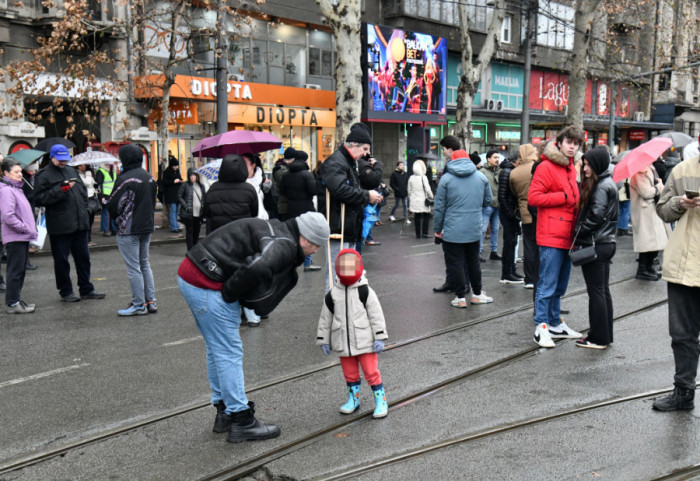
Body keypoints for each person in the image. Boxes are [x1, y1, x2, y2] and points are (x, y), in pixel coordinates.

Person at [177, 211, 330, 442]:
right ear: (305, 239)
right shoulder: (285, 245)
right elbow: (258, 267)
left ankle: (225, 414)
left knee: (217, 348)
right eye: (316, 245)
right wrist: (230, 294)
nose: (316, 251)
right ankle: (241, 419)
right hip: (207, 282)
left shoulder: (278, 229)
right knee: (228, 351)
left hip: (193, 271)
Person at [527, 127, 584, 348]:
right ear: (559, 143)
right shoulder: (545, 166)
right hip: (551, 234)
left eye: (576, 143)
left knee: (559, 285)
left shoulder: (570, 168)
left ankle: (553, 323)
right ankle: (541, 326)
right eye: (569, 142)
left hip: (567, 234)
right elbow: (533, 198)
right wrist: (564, 196)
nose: (572, 146)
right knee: (547, 284)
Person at [652, 149, 700, 411]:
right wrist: (680, 204)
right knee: (682, 335)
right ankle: (683, 392)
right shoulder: (682, 170)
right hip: (684, 265)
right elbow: (662, 209)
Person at [317, 249, 389, 418]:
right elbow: (325, 318)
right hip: (343, 343)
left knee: (371, 372)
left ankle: (381, 401)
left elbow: (376, 315)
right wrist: (323, 339)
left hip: (365, 343)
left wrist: (379, 336)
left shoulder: (365, 291)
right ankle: (354, 399)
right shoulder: (333, 294)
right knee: (349, 374)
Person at [33, 144, 105, 302]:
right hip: (60, 226)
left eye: (65, 159)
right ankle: (66, 291)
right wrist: (60, 189)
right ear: (52, 157)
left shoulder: (71, 170)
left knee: (83, 259)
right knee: (62, 261)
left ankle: (86, 289)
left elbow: (82, 192)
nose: (63, 162)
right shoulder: (43, 175)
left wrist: (85, 210)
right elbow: (39, 198)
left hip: (79, 223)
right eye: (60, 160)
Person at [320, 122, 383, 293]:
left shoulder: (348, 162)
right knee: (336, 274)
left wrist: (366, 196)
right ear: (353, 144)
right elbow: (340, 190)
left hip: (347, 227)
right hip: (338, 228)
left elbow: (350, 190)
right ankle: (333, 310)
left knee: (346, 274)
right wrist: (366, 195)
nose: (366, 154)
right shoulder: (337, 162)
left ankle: (344, 309)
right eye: (364, 149)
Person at [572, 147, 618, 349]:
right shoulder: (608, 183)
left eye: (589, 164)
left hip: (596, 243)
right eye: (584, 163)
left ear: (598, 164)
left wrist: (578, 232)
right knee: (602, 291)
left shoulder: (600, 187)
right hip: (606, 242)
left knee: (596, 292)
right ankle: (604, 335)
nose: (585, 168)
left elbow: (596, 216)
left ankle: (597, 337)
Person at [433, 149, 493, 308]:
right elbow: (488, 200)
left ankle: (460, 297)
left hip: (452, 229)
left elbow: (439, 207)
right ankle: (477, 294)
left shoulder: (446, 179)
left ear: (452, 161)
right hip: (473, 228)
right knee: (473, 262)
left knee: (455, 263)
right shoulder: (481, 177)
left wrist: (438, 228)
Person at [107, 144, 158, 316]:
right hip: (147, 225)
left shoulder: (125, 179)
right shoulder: (149, 177)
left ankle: (138, 304)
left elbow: (113, 205)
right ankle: (150, 301)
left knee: (134, 267)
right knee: (144, 263)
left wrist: (117, 217)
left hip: (128, 227)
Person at [0, 159, 38, 313]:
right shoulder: (7, 190)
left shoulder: (15, 188)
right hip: (16, 236)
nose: (19, 174)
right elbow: (8, 216)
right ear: (6, 173)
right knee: (15, 271)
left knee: (20, 270)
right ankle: (12, 303)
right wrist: (24, 228)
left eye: (20, 171)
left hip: (21, 236)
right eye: (15, 172)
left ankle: (16, 300)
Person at [280, 150, 321, 272]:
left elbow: (282, 190)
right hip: (306, 207)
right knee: (307, 235)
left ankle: (292, 260)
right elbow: (313, 191)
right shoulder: (306, 174)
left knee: (294, 235)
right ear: (304, 160)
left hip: (291, 207)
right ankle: (307, 263)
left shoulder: (286, 174)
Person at [630, 164, 669, 281]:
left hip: (650, 210)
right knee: (647, 241)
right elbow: (646, 193)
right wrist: (659, 187)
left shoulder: (649, 168)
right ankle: (642, 269)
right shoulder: (640, 172)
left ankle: (648, 267)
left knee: (653, 241)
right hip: (644, 210)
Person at [203, 154, 258, 234]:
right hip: (242, 235)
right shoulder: (249, 189)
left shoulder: (213, 189)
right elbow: (254, 213)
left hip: (218, 237)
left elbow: (207, 213)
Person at [510, 143, 539, 289]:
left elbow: (514, 193)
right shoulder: (539, 167)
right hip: (540, 210)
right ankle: (539, 276)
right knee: (541, 246)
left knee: (528, 246)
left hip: (525, 212)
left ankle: (529, 279)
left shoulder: (514, 172)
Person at [498, 152, 523, 284]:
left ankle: (511, 270)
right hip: (508, 213)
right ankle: (506, 273)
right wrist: (511, 213)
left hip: (511, 212)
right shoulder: (507, 172)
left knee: (512, 242)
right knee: (509, 242)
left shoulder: (510, 170)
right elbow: (502, 196)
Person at [480, 150, 501, 262]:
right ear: (488, 159)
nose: (497, 159)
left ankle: (494, 251)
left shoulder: (499, 171)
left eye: (498, 157)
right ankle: (478, 251)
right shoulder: (482, 172)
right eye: (494, 157)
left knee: (495, 229)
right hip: (487, 205)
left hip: (497, 205)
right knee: (482, 229)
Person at [178, 168, 207, 251]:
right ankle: (190, 250)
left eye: (194, 175)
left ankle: (195, 248)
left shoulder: (201, 186)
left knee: (197, 231)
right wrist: (185, 205)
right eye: (190, 175)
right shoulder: (185, 185)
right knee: (190, 231)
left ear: (197, 176)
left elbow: (204, 198)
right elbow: (179, 196)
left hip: (199, 213)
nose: (192, 177)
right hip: (189, 213)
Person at [407, 160, 433, 239]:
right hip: (423, 200)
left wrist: (410, 198)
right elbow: (427, 189)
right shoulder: (423, 177)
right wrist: (431, 196)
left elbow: (409, 190)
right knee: (426, 216)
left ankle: (418, 234)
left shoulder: (411, 178)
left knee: (417, 217)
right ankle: (425, 233)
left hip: (414, 200)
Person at [242, 153, 269, 221]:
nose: (241, 166)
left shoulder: (264, 183)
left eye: (244, 163)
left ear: (253, 165)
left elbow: (271, 207)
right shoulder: (238, 184)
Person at [273, 147, 296, 221]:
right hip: (283, 206)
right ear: (292, 159)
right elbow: (287, 186)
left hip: (285, 204)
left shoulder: (283, 168)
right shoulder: (281, 170)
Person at [77, 164, 98, 247]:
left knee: (90, 221)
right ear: (78, 167)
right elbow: (87, 183)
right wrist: (89, 174)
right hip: (85, 200)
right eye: (83, 166)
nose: (84, 167)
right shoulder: (79, 175)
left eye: (85, 166)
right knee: (87, 221)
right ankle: (86, 240)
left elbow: (92, 183)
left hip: (92, 198)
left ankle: (88, 239)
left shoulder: (86, 175)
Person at [95, 163, 117, 236]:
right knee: (106, 212)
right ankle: (106, 230)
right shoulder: (100, 171)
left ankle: (113, 229)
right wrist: (101, 196)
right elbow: (99, 185)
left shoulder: (113, 172)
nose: (111, 164)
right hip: (105, 195)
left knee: (112, 211)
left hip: (113, 195)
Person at [162, 157, 183, 233]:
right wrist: (174, 181)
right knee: (173, 210)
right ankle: (174, 227)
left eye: (176, 166)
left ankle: (176, 225)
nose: (175, 167)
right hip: (171, 194)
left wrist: (180, 180)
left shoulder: (177, 171)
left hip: (177, 194)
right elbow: (165, 182)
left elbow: (179, 178)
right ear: (171, 166)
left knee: (176, 211)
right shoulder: (167, 172)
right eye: (174, 166)